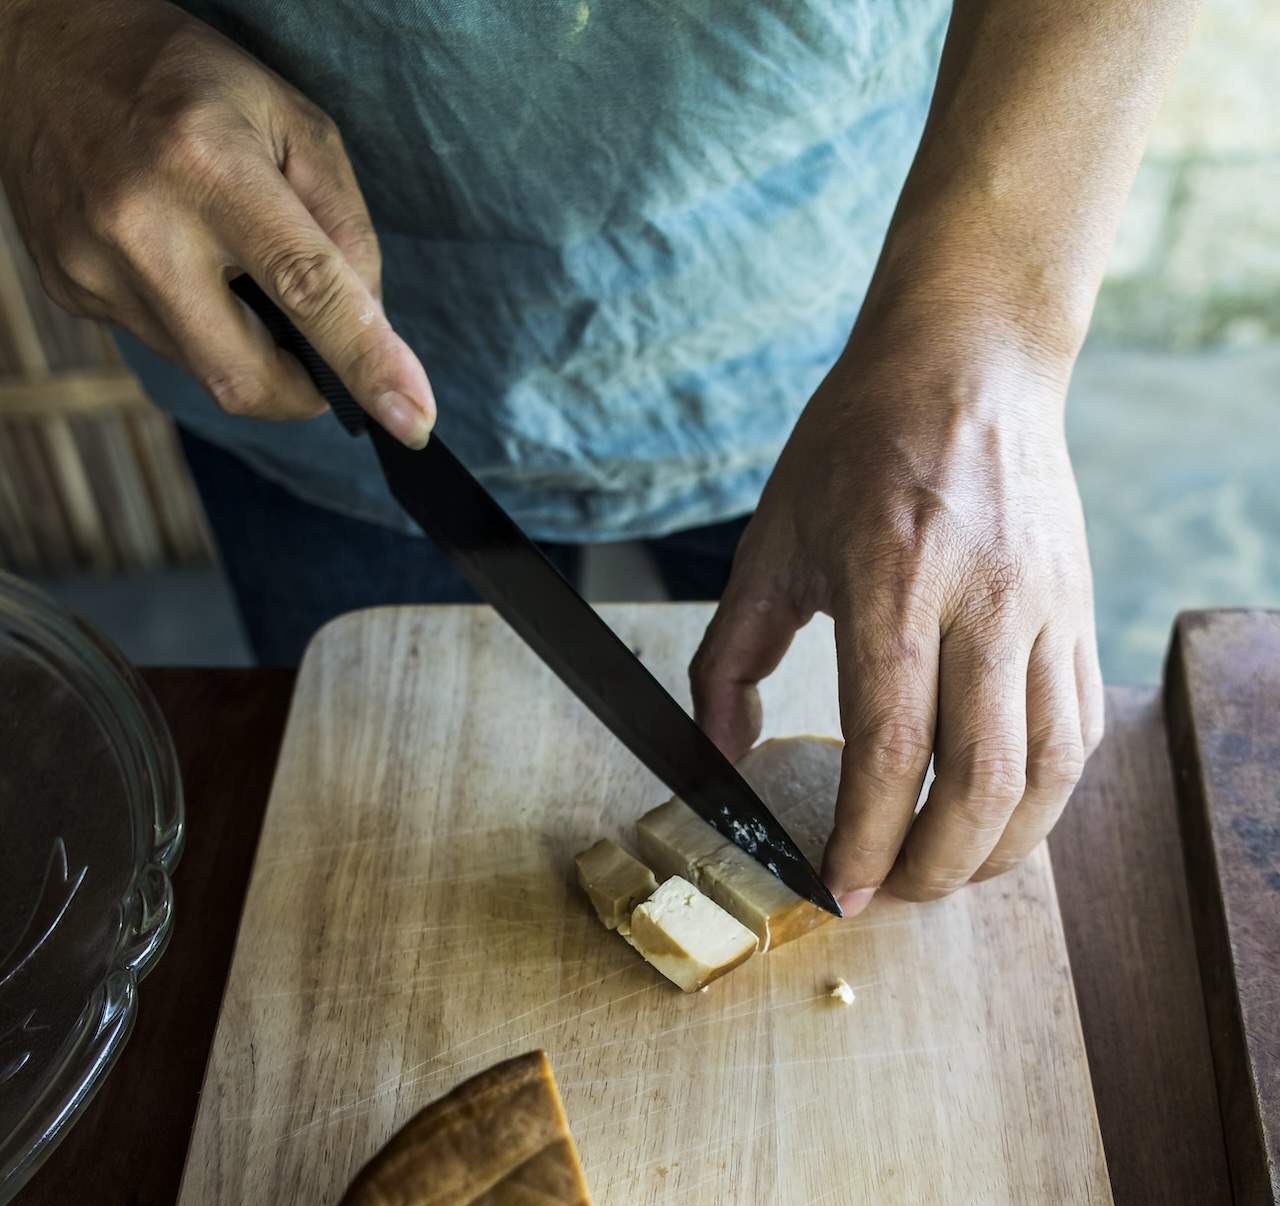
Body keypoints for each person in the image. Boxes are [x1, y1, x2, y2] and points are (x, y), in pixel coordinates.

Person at [0, 0, 1197, 913]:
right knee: (365, 848)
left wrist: (987, 328)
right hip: (278, 309)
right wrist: (46, 30)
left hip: (846, 332)